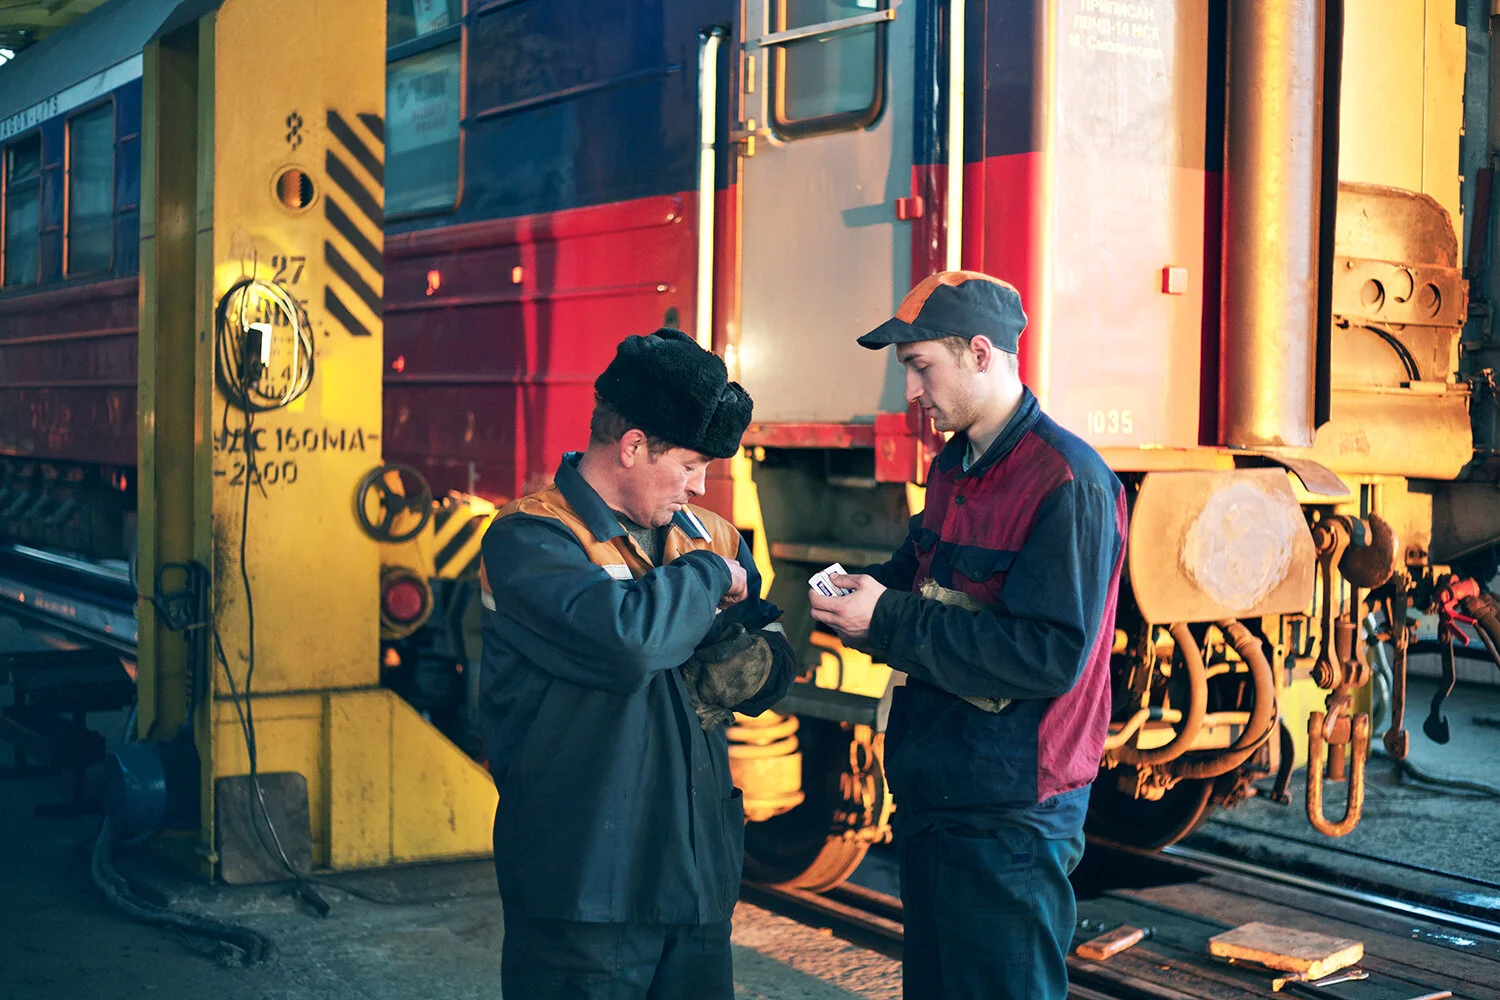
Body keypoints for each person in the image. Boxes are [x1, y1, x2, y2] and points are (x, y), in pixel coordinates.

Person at [809, 271, 1127, 1000]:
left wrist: (884, 618)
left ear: (982, 353)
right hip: (941, 794)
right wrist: (857, 594)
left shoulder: (1066, 482)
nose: (912, 393)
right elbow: (921, 574)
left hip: (1010, 811)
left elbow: (1048, 656)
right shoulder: (954, 465)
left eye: (922, 367)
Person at [478, 328, 798, 999]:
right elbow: (628, 641)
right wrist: (708, 579)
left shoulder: (708, 531)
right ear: (631, 447)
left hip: (696, 886)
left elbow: (772, 648)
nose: (700, 487)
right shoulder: (531, 539)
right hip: (584, 894)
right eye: (688, 466)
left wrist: (755, 664)